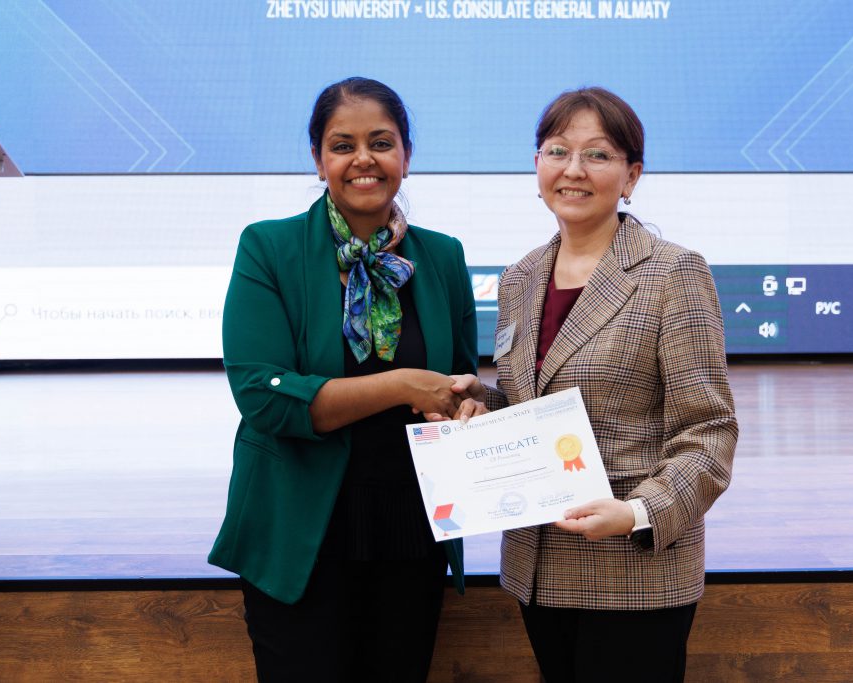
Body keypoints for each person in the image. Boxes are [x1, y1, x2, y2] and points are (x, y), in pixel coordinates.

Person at [450, 87, 738, 682]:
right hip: (538, 565)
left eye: (598, 154)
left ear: (632, 176)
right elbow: (534, 406)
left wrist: (636, 513)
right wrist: (481, 407)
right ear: (537, 166)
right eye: (557, 151)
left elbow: (710, 432)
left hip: (635, 569)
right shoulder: (520, 278)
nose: (573, 169)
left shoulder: (673, 272)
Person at [208, 77, 478, 682]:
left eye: (381, 143)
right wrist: (402, 385)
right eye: (342, 145)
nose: (364, 159)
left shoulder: (443, 256)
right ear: (318, 158)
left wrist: (471, 403)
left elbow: (460, 381)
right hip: (300, 532)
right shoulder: (269, 247)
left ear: (406, 154)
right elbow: (264, 398)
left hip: (412, 531)